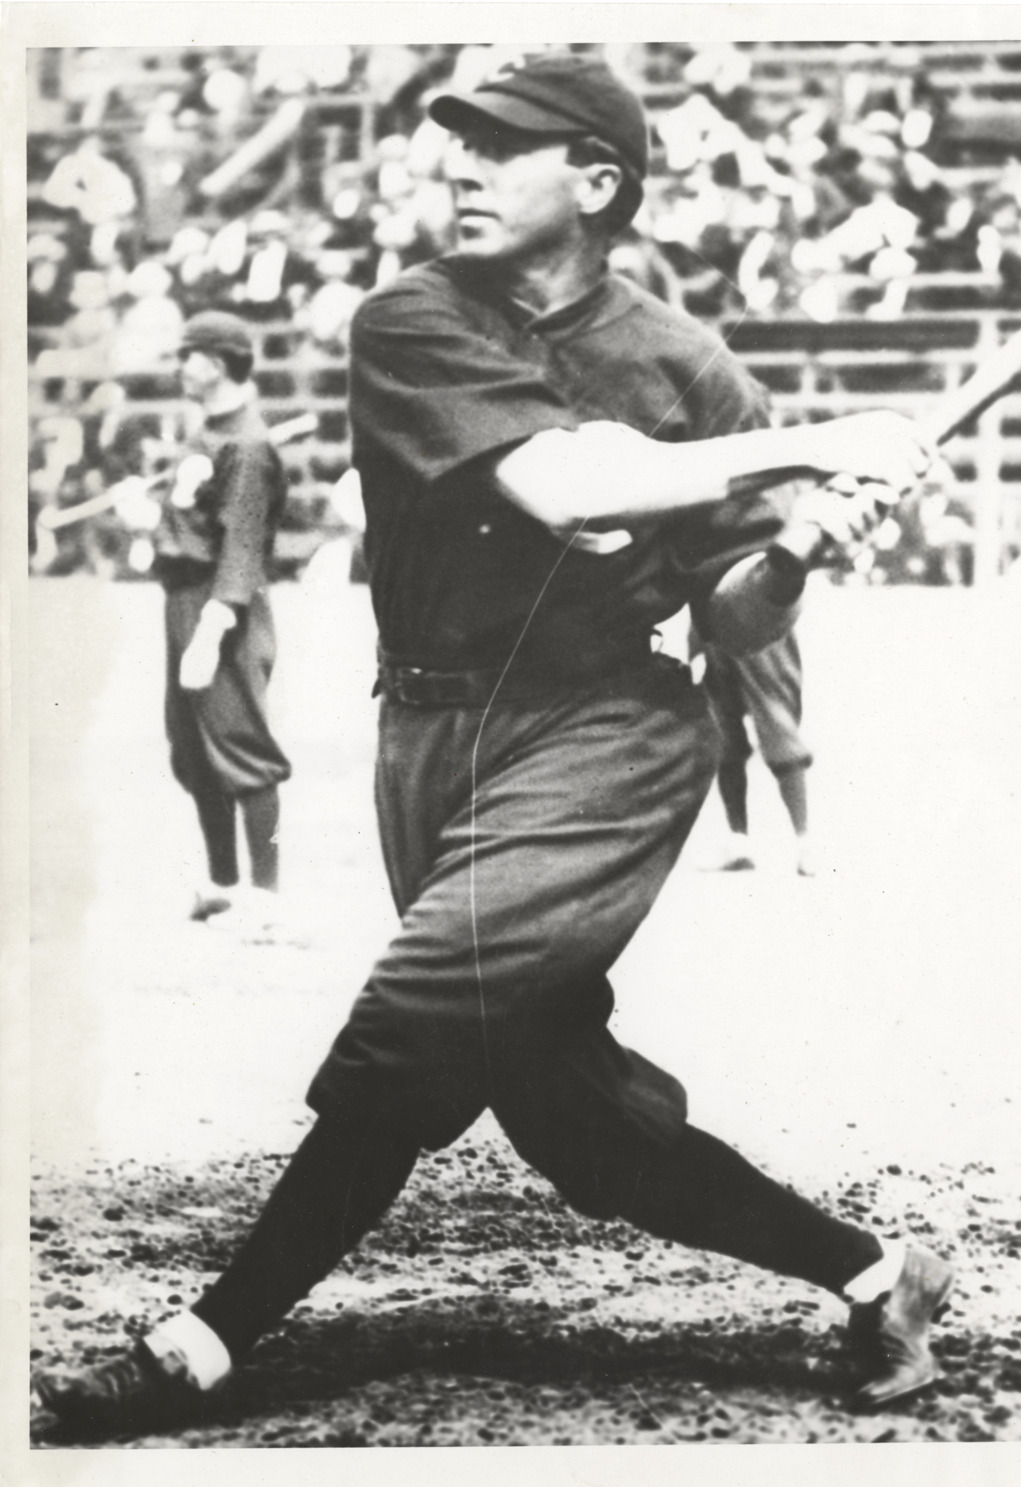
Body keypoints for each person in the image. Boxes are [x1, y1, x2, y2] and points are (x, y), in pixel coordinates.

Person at [36, 53, 950, 1437]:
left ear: (597, 181)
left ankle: (207, 1337)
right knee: (565, 1109)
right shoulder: (409, 320)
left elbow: (728, 610)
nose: (460, 166)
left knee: (424, 999)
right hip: (429, 731)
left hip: (610, 731)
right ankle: (880, 1273)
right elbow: (568, 481)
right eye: (457, 142)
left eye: (501, 146)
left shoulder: (687, 365)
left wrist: (800, 551)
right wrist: (814, 446)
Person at [114, 310, 292, 934]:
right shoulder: (209, 432)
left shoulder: (247, 444)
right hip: (184, 600)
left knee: (241, 747)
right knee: (192, 750)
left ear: (215, 363)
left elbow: (241, 550)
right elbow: (192, 526)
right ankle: (223, 883)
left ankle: (266, 898)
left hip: (222, 608)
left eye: (187, 356)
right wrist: (144, 518)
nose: (179, 367)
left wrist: (210, 635)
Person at [693, 616, 816, 875]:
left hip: (755, 613)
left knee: (778, 726)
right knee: (723, 732)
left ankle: (806, 845)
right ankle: (739, 842)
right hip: (714, 621)